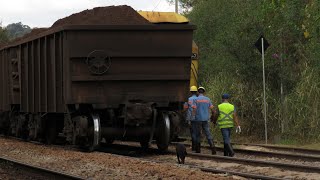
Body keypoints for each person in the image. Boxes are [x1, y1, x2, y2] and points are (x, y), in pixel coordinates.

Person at [194, 86, 216, 154]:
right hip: (206, 119)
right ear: (204, 92)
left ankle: (198, 150)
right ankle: (213, 148)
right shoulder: (208, 99)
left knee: (198, 134)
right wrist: (212, 117)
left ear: (198, 92)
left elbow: (194, 109)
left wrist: (192, 117)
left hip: (198, 119)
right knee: (208, 133)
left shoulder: (196, 100)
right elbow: (213, 110)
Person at [183, 86, 198, 151]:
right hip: (198, 118)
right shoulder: (198, 99)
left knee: (192, 133)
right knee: (197, 132)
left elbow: (185, 108)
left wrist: (182, 111)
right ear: (196, 92)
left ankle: (194, 148)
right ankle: (197, 147)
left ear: (191, 92)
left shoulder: (189, 99)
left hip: (191, 118)